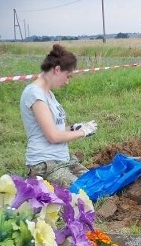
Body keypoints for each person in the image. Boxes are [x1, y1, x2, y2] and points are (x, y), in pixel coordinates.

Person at [21, 44, 97, 189]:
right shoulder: (35, 94)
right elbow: (53, 136)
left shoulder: (49, 94)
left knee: (97, 183)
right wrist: (82, 132)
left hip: (63, 160)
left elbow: (55, 128)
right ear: (56, 70)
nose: (67, 82)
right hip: (45, 165)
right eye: (67, 76)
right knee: (85, 192)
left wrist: (74, 128)